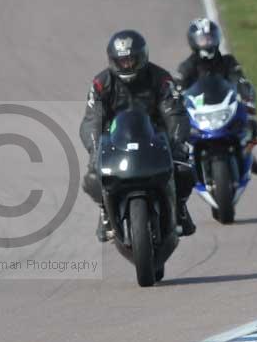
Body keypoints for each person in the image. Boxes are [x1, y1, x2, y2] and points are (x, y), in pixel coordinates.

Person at [80, 30, 196, 242]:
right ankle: (105, 211)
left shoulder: (161, 79)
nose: (128, 65)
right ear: (113, 61)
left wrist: (176, 143)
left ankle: (179, 208)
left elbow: (175, 113)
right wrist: (95, 148)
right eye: (122, 61)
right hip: (115, 142)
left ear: (143, 57)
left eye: (132, 59)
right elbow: (91, 120)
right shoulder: (100, 83)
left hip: (154, 139)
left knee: (184, 168)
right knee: (92, 178)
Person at [176, 18, 257, 174]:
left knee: (249, 123)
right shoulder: (187, 66)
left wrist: (246, 96)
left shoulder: (228, 61)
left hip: (224, 106)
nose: (207, 43)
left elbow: (239, 79)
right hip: (200, 112)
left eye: (210, 38)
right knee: (179, 134)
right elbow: (178, 88)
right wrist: (177, 95)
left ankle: (248, 153)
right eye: (203, 39)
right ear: (194, 42)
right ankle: (185, 161)